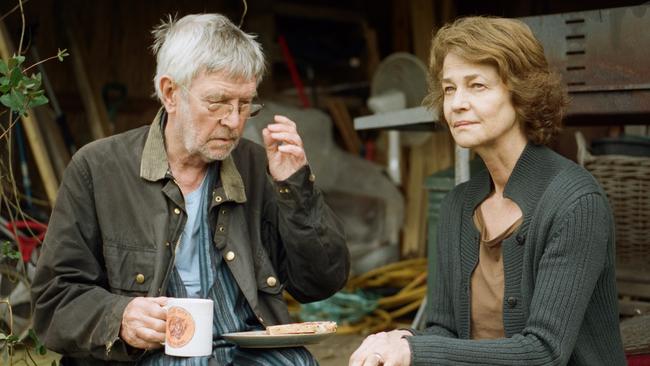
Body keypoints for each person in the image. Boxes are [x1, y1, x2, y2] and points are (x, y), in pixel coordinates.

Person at [31, 13, 350, 366]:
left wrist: (295, 188)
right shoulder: (98, 168)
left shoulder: (260, 167)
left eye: (245, 104)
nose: (233, 121)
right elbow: (53, 300)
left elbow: (321, 282)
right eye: (217, 102)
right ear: (171, 93)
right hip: (148, 358)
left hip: (248, 354)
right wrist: (119, 316)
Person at [349, 16, 626, 366]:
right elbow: (444, 330)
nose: (457, 103)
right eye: (449, 88)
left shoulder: (575, 202)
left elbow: (545, 352)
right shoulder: (457, 204)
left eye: (476, 85)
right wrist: (399, 340)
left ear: (521, 92)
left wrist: (415, 351)